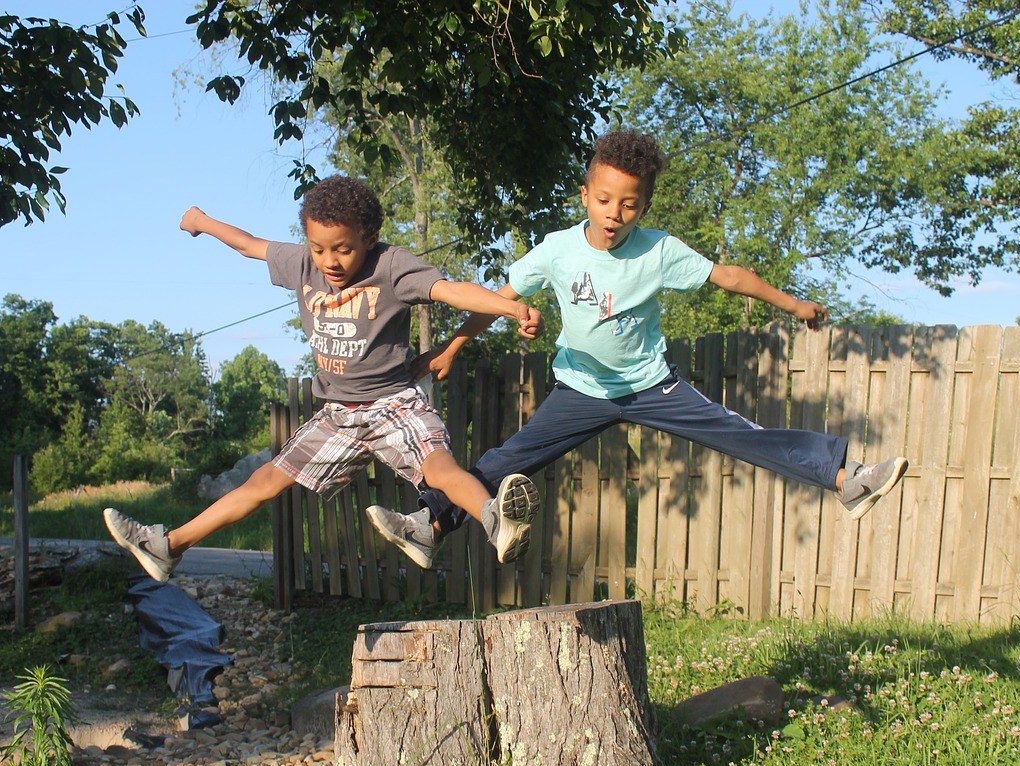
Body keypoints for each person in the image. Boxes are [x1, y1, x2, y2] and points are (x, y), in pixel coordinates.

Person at [367, 129, 908, 569]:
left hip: (652, 385)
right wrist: (454, 346)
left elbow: (729, 277)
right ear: (585, 196)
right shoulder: (557, 249)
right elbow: (499, 298)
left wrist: (794, 306)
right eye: (604, 200)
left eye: (629, 205)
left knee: (740, 433)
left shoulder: (660, 251)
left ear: (643, 206)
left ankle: (846, 478)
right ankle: (428, 526)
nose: (614, 214)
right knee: (508, 459)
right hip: (580, 389)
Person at [104, 176, 543, 581]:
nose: (329, 262)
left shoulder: (390, 265)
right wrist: (201, 221)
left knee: (439, 467)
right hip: (338, 415)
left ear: (368, 239)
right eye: (319, 248)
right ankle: (166, 545)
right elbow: (248, 244)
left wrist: (511, 308)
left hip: (393, 404)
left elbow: (452, 290)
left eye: (343, 250)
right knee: (264, 482)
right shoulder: (302, 265)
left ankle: (495, 520)